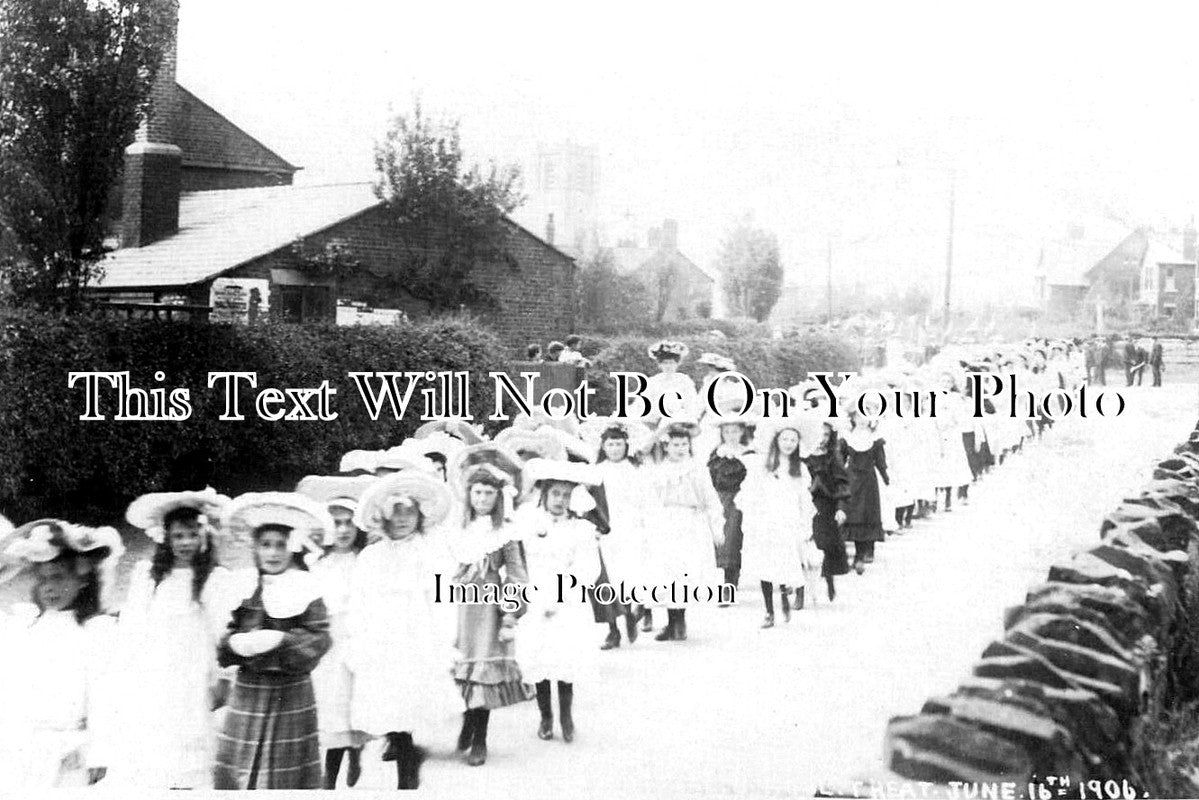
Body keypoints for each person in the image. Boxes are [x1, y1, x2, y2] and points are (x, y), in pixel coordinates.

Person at [113, 489, 234, 789]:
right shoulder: (150, 577)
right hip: (158, 670)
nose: (185, 543)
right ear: (166, 537)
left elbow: (222, 628)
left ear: (203, 536)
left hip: (195, 671)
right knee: (157, 743)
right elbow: (134, 626)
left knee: (193, 743)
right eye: (178, 536)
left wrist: (223, 676)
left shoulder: (213, 578)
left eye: (192, 535)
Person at [212, 493, 334, 790]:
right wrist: (234, 644)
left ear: (292, 548)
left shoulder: (305, 586)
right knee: (241, 762)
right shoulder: (243, 585)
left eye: (280, 545)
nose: (273, 553)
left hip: (289, 690)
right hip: (250, 688)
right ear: (255, 548)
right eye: (266, 545)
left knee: (284, 767)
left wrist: (282, 639)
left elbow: (319, 638)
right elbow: (226, 634)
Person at [346, 471, 459, 789]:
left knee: (409, 707)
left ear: (420, 516)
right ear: (383, 517)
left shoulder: (427, 553)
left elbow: (442, 599)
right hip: (381, 636)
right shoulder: (371, 556)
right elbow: (360, 600)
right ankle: (404, 753)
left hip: (415, 635)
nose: (402, 519)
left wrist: (442, 641)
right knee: (386, 706)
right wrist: (360, 638)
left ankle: (407, 774)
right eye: (395, 513)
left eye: (409, 512)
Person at [0, 520, 124, 788]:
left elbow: (103, 694)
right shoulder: (27, 623)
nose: (48, 587)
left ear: (82, 580)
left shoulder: (96, 630)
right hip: (22, 746)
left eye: (57, 577)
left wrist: (98, 752)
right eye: (42, 578)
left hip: (69, 749)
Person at [445, 446, 535, 767]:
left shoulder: (506, 532)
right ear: (468, 495)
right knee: (459, 669)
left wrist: (510, 611)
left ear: (498, 497)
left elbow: (517, 573)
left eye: (488, 494)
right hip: (458, 604)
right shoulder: (456, 529)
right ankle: (467, 722)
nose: (482, 499)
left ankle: (480, 738)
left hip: (487, 607)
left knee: (482, 671)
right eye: (477, 493)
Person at [294, 475, 377, 789]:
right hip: (328, 647)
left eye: (348, 523)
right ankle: (329, 779)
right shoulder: (316, 563)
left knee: (354, 708)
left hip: (357, 641)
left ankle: (354, 753)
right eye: (336, 523)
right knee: (331, 710)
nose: (342, 530)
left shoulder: (366, 560)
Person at [516, 459, 602, 743]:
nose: (560, 500)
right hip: (535, 595)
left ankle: (566, 715)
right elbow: (518, 560)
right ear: (544, 494)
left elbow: (588, 568)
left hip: (568, 599)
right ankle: (545, 716)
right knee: (539, 656)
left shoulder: (581, 529)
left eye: (565, 495)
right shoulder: (528, 521)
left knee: (565, 657)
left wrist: (561, 596)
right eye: (555, 494)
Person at [643, 420, 725, 641]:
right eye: (675, 444)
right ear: (666, 446)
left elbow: (710, 499)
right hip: (665, 522)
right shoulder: (658, 471)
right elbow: (651, 500)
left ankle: (680, 621)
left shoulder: (697, 469)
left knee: (684, 572)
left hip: (690, 522)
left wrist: (716, 526)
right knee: (667, 572)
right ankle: (672, 621)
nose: (680, 449)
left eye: (683, 445)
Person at [737, 422, 819, 627]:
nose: (789, 444)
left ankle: (784, 596)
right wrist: (752, 517)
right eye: (785, 439)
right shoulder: (763, 464)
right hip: (766, 519)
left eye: (793, 440)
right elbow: (750, 491)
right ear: (776, 441)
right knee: (765, 563)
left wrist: (805, 523)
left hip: (788, 520)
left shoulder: (799, 468)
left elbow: (804, 498)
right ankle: (768, 610)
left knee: (784, 561)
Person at [590, 422, 650, 645]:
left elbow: (647, 501)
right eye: (610, 444)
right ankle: (612, 629)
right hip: (606, 530)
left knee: (628, 575)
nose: (615, 449)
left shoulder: (636, 470)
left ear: (626, 445)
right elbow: (589, 502)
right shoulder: (596, 471)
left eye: (618, 444)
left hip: (632, 528)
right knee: (606, 578)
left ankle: (630, 615)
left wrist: (646, 526)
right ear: (603, 447)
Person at [706, 418, 753, 595]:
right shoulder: (718, 454)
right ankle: (726, 583)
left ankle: (732, 581)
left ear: (742, 432)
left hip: (741, 500)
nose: (731, 435)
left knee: (735, 539)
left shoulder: (748, 453)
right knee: (723, 540)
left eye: (734, 431)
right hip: (721, 499)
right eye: (727, 432)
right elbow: (710, 478)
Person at [841, 405, 889, 574]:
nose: (862, 421)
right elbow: (840, 459)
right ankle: (857, 554)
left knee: (868, 513)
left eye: (865, 417)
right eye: (858, 417)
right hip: (852, 480)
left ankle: (866, 550)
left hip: (869, 481)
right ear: (853, 419)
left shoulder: (875, 439)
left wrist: (886, 478)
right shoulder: (847, 438)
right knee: (854, 514)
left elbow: (880, 461)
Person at [643, 340, 698, 427]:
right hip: (657, 420)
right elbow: (647, 403)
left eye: (671, 363)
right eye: (665, 363)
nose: (668, 366)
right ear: (660, 364)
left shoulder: (684, 380)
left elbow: (691, 403)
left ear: (677, 364)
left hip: (680, 419)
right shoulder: (653, 381)